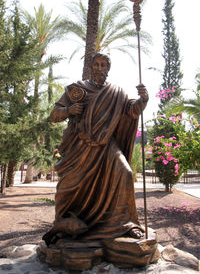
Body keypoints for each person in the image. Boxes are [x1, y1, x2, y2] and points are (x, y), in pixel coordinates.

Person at [43, 53, 149, 246]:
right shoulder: (77, 89)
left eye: (104, 65)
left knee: (125, 172)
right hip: (80, 148)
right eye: (97, 65)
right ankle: (63, 224)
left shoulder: (116, 92)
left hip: (106, 145)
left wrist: (143, 100)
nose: (100, 68)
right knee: (68, 188)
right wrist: (69, 110)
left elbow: (131, 111)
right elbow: (54, 114)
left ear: (108, 69)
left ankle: (125, 224)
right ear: (91, 67)